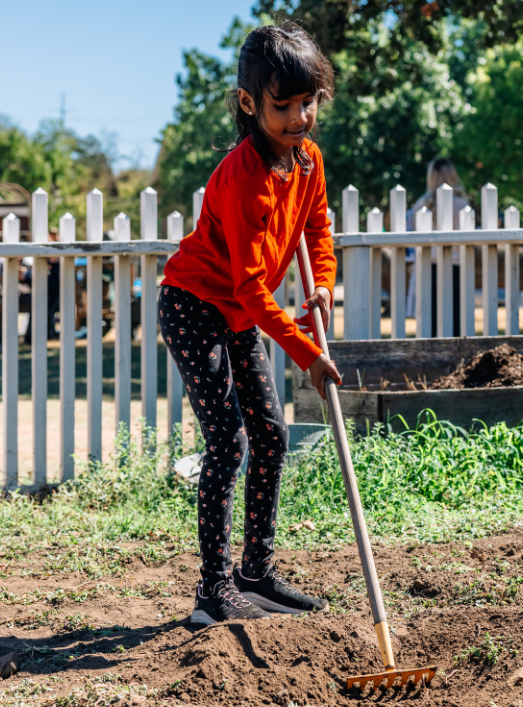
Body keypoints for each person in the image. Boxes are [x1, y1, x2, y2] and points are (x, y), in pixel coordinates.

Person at [158, 23, 340, 626]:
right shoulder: (243, 179)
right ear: (249, 103)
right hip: (194, 305)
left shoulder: (307, 162)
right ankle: (213, 590)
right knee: (229, 440)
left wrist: (322, 282)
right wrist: (307, 353)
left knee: (270, 435)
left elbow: (317, 229)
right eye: (282, 106)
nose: (298, 117)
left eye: (307, 102)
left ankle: (255, 572)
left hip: (236, 313)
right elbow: (252, 287)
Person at [405, 159, 472, 335]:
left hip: (427, 269)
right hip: (456, 268)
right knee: (456, 323)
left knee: (430, 324)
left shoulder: (419, 206)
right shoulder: (462, 205)